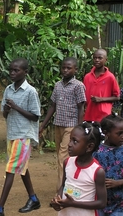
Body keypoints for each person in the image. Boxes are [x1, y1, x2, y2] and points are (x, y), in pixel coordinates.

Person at [0, 58, 41, 216]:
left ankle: (0, 208)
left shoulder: (31, 91)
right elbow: (5, 114)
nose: (12, 72)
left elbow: (36, 116)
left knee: (10, 169)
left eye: (16, 70)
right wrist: (6, 109)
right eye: (10, 70)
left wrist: (16, 107)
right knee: (21, 167)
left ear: (25, 72)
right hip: (12, 133)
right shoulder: (8, 90)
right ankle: (33, 199)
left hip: (24, 135)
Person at [40, 57, 86, 192]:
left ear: (75, 69)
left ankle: (60, 191)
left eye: (69, 68)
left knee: (63, 157)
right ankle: (70, 186)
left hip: (71, 126)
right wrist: (43, 125)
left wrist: (79, 128)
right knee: (62, 157)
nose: (65, 70)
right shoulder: (57, 85)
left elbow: (81, 107)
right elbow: (52, 106)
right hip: (58, 124)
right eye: (63, 67)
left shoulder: (78, 86)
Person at [50, 122, 107, 216]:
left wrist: (73, 204)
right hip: (65, 213)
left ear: (89, 147)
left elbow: (102, 203)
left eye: (75, 141)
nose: (69, 144)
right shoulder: (67, 162)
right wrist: (58, 199)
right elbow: (63, 185)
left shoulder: (97, 171)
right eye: (70, 140)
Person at [93, 113, 123, 216]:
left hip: (120, 204)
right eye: (119, 133)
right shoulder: (96, 152)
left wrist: (119, 182)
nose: (122, 136)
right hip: (101, 202)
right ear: (106, 133)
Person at [83, 49, 120, 122]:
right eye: (95, 58)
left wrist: (101, 99)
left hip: (104, 116)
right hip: (88, 115)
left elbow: (117, 97)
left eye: (100, 58)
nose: (97, 60)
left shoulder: (110, 77)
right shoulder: (87, 77)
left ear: (106, 60)